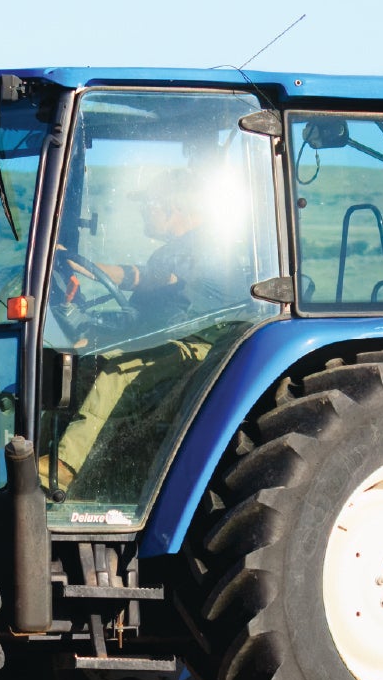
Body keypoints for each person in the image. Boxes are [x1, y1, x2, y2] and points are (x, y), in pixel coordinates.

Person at [49, 171, 240, 501]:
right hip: (167, 340)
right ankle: (40, 455)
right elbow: (139, 313)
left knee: (115, 372)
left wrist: (87, 266)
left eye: (147, 205)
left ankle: (62, 467)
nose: (142, 212)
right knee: (76, 365)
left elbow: (150, 278)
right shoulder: (171, 250)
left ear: (170, 206)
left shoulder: (207, 244)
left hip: (200, 347)